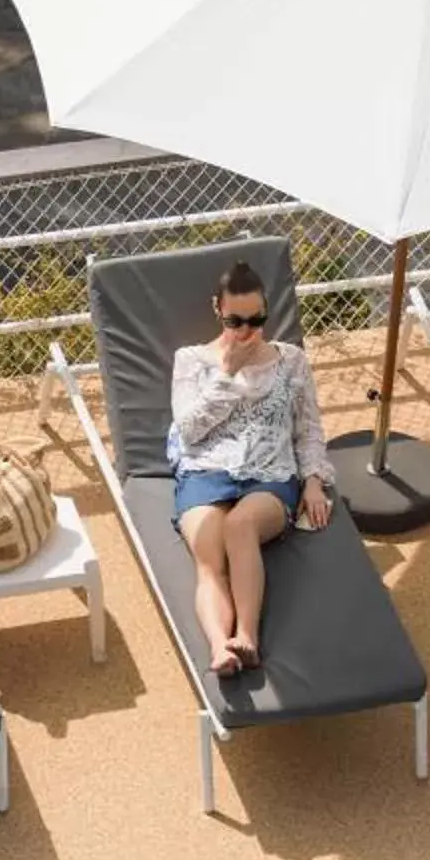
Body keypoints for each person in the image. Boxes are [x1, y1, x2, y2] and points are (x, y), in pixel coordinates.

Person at [169, 259, 335, 681]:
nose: (246, 330)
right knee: (208, 557)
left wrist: (314, 481)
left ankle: (247, 637)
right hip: (206, 468)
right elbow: (188, 430)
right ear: (217, 310)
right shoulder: (191, 361)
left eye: (256, 319)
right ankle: (219, 648)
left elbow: (309, 428)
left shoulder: (290, 360)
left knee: (239, 527)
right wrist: (227, 372)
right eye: (235, 321)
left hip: (269, 472)